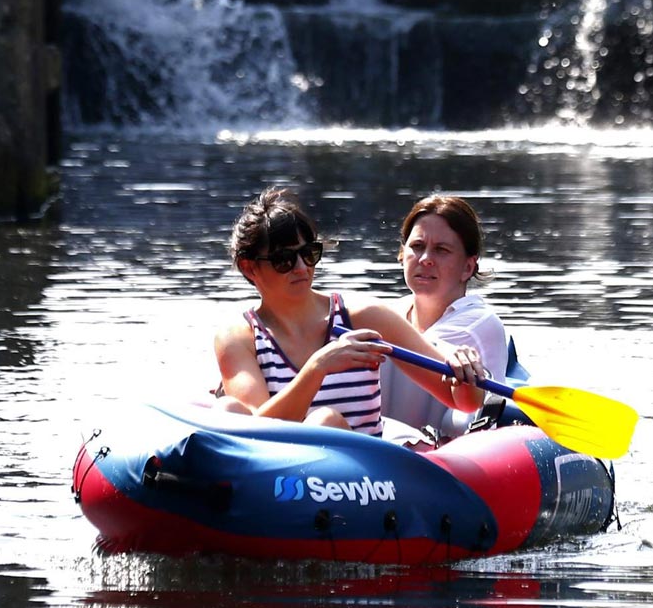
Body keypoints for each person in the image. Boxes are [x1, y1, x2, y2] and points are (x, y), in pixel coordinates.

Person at [212, 187, 487, 437]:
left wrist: (464, 374)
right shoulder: (238, 338)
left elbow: (461, 400)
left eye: (309, 253)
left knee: (325, 421)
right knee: (229, 410)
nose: (301, 268)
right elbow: (257, 432)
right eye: (283, 260)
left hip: (362, 482)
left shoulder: (365, 317)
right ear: (250, 268)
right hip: (276, 474)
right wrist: (318, 367)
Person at [382, 195, 515, 443]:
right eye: (417, 246)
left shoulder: (477, 323)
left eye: (441, 250)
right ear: (402, 255)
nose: (425, 259)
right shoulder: (391, 313)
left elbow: (421, 346)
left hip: (447, 457)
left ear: (468, 267)